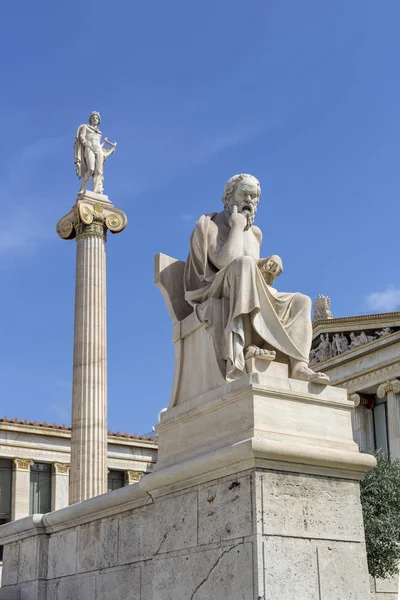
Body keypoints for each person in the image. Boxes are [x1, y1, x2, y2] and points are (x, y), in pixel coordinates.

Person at [184, 173, 329, 384]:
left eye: (254, 197)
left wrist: (269, 262)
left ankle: (298, 364)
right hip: (213, 288)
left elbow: (253, 267)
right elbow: (225, 261)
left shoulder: (256, 233)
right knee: (244, 265)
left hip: (243, 282)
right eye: (245, 194)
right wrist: (236, 227)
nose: (249, 201)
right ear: (228, 197)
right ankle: (242, 351)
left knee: (301, 301)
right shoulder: (209, 224)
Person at [74, 111, 116, 194]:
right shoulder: (85, 127)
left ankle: (95, 191)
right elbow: (81, 136)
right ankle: (81, 189)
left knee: (99, 171)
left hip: (98, 150)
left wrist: (109, 148)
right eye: (93, 117)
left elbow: (98, 144)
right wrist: (85, 143)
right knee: (91, 169)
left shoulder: (99, 133)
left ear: (99, 121)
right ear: (90, 119)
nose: (95, 119)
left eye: (97, 118)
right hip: (89, 147)